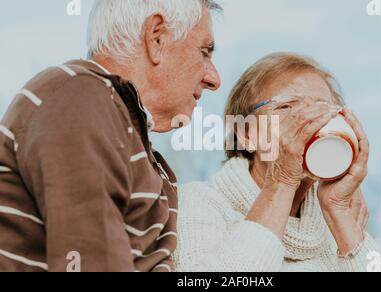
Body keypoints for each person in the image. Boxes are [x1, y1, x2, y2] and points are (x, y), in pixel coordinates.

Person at [0, 0, 221, 272]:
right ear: (157, 38)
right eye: (205, 52)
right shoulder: (79, 96)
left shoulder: (134, 143)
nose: (214, 79)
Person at [173, 53, 381, 272]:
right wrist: (281, 182)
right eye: (286, 106)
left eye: (323, 109)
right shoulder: (199, 202)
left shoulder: (333, 225)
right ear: (245, 134)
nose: (308, 120)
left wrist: (340, 216)